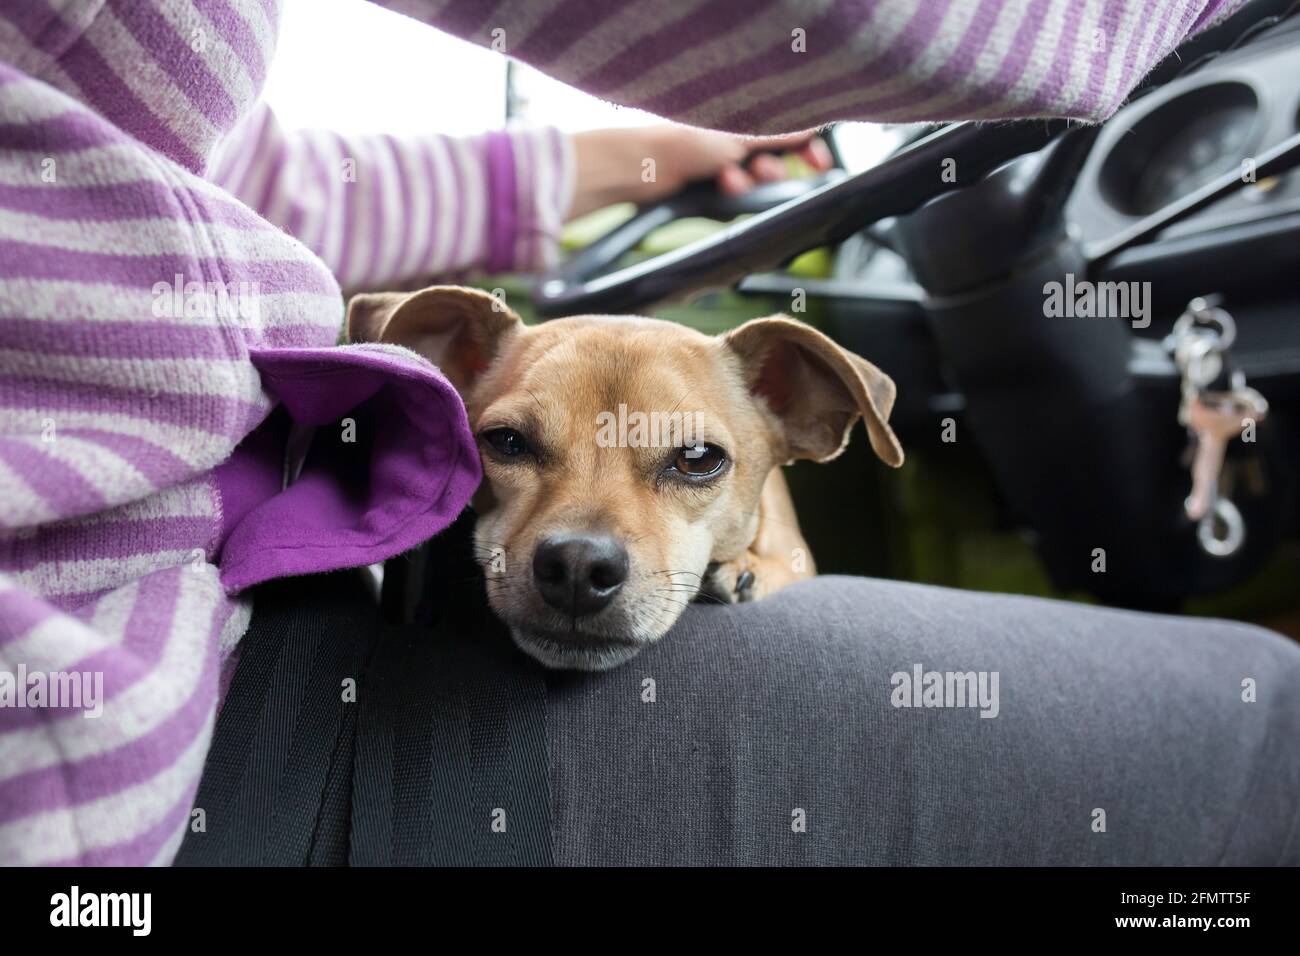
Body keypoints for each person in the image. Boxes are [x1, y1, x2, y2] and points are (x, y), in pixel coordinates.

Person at [0, 0, 1257, 866]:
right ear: (441, 372)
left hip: (205, 635)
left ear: (812, 421)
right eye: (515, 446)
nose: (584, 545)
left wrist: (661, 153)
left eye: (690, 462)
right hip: (142, 744)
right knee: (1265, 726)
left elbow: (246, 168)